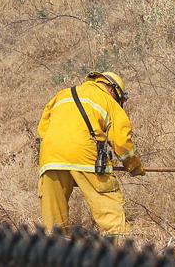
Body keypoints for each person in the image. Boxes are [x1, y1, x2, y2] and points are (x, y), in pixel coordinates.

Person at [37, 71, 145, 235]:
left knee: (54, 223)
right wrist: (133, 166)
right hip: (86, 154)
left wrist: (64, 159)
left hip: (50, 157)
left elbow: (43, 129)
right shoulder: (108, 100)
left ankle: (55, 252)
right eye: (119, 98)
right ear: (111, 89)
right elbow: (122, 142)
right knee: (108, 207)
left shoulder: (62, 95)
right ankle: (120, 244)